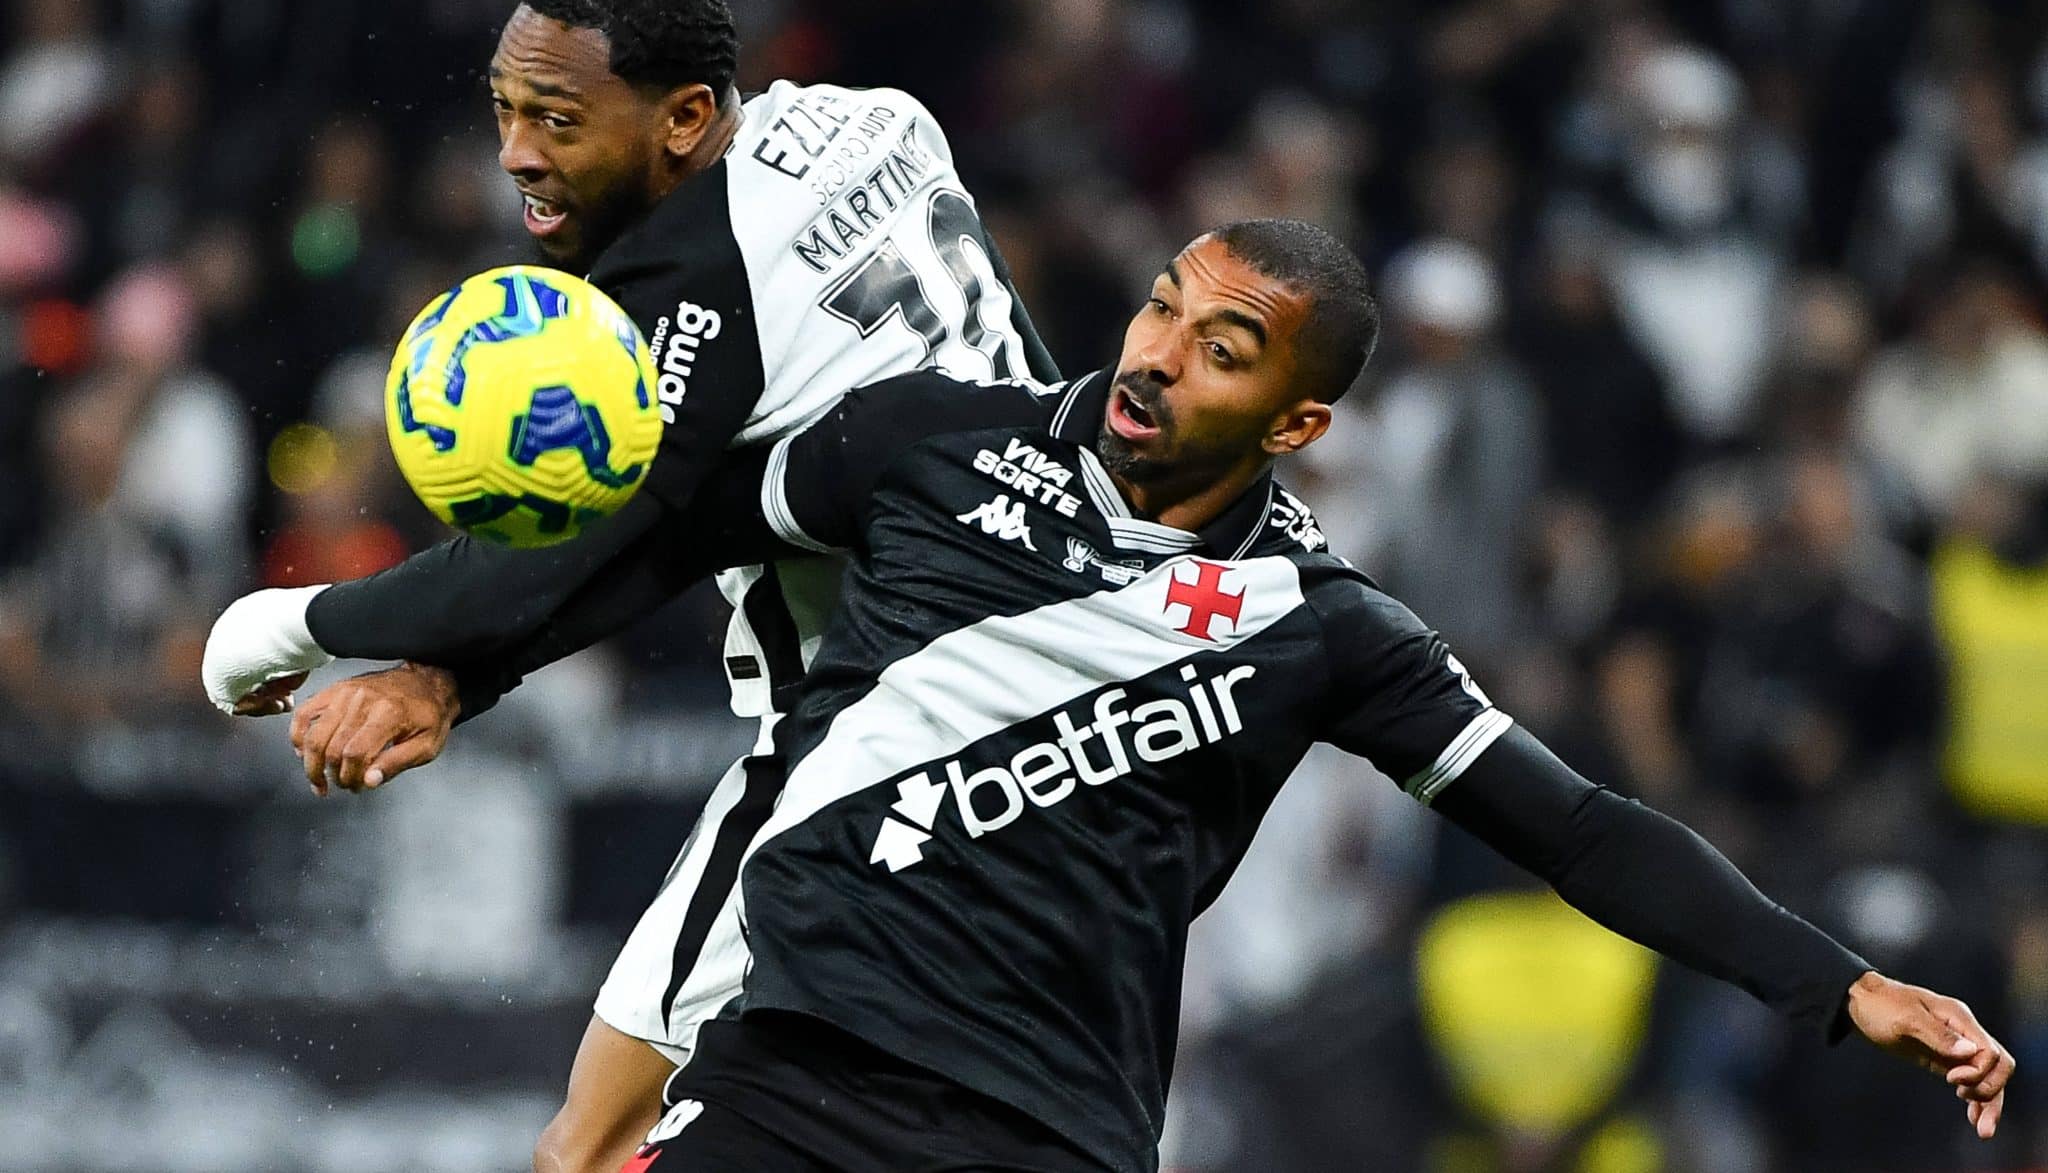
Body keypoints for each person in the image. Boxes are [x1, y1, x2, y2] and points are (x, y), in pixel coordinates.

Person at [594, 219, 2006, 1170]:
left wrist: (1838, 984)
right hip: (792, 1064)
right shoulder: (943, 448)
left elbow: (1580, 830)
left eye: (1221, 348)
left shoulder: (1323, 628)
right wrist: (463, 637)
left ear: (1297, 423)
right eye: (1162, 305)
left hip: (1040, 1124)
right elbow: (662, 524)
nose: (1157, 354)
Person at [199, 0, 1056, 1173]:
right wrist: (454, 679)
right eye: (504, 110)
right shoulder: (876, 119)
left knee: (596, 1144)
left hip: (890, 725)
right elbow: (681, 527)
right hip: (1072, 676)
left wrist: (291, 623)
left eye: (557, 120)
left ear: (686, 118)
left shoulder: (693, 270)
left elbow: (548, 558)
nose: (515, 153)